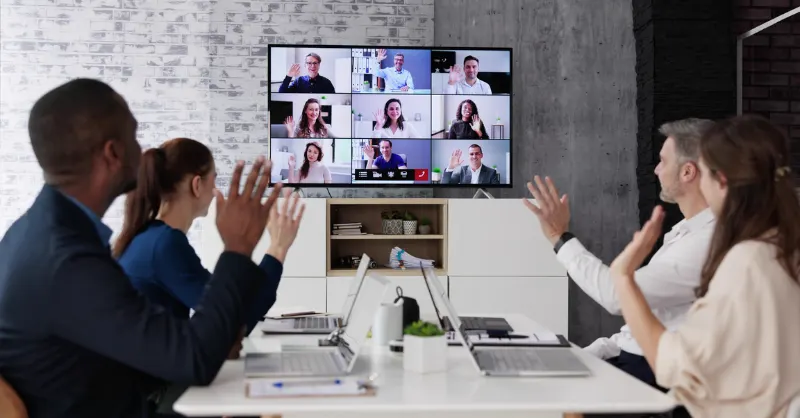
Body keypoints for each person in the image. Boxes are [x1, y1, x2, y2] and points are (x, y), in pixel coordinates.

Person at [0, 78, 303, 418]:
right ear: (112, 153)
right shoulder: (67, 260)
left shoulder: (34, 235)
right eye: (133, 134)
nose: (141, 148)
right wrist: (238, 246)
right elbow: (194, 360)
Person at [608, 115, 800, 418]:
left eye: (704, 174)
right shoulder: (782, 245)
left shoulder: (745, 261)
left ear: (720, 180)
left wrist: (623, 277)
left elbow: (672, 365)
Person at [523, 118, 716, 391]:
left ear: (687, 172)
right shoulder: (685, 231)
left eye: (663, 161)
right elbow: (646, 319)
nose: (657, 169)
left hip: (651, 376)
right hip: (633, 361)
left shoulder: (706, 241)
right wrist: (593, 352)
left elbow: (617, 296)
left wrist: (559, 237)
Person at [113, 138, 298, 352]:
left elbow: (222, 308)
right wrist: (277, 248)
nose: (215, 191)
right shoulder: (165, 244)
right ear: (197, 185)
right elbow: (237, 323)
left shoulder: (150, 238)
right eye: (214, 180)